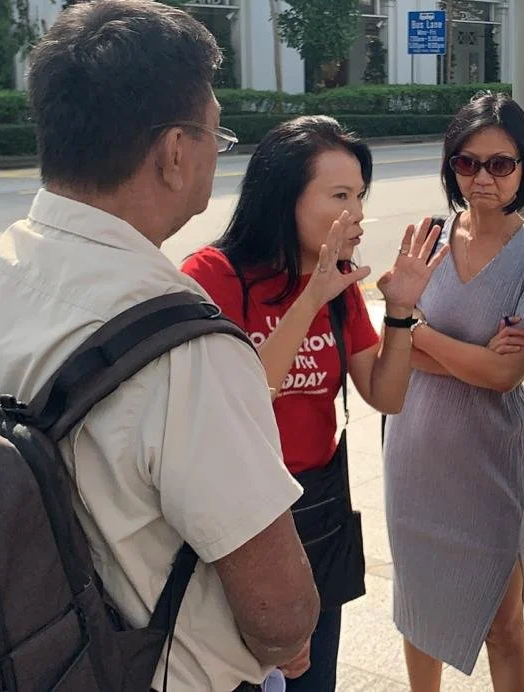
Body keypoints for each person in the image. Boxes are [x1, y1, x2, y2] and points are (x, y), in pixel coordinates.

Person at [0, 0, 319, 691]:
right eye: (215, 139)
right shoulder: (184, 344)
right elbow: (280, 613)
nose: (214, 159)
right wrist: (290, 634)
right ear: (172, 152)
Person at [182, 115, 447, 692]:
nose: (356, 214)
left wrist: (399, 312)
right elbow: (241, 399)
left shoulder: (341, 288)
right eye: (339, 196)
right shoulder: (213, 276)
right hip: (241, 522)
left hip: (315, 511)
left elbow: (386, 395)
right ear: (284, 198)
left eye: (360, 195)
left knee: (312, 679)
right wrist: (310, 298)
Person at [383, 94, 524, 691]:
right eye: (466, 162)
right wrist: (470, 355)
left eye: (500, 164)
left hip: (489, 459)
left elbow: (505, 376)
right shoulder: (427, 236)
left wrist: (419, 331)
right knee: (417, 607)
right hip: (414, 447)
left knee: (503, 621)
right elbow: (390, 346)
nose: (482, 177)